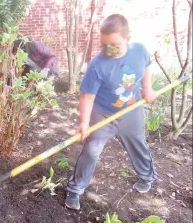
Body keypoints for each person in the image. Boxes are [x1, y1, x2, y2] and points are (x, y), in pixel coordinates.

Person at [63, 14, 158, 210]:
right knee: (91, 150)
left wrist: (148, 88)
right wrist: (84, 123)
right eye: (103, 44)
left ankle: (147, 177)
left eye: (114, 44)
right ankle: (75, 189)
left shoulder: (139, 51)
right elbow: (87, 97)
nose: (108, 49)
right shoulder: (98, 65)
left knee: (138, 144)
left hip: (131, 111)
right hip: (103, 113)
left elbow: (147, 66)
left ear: (128, 39)